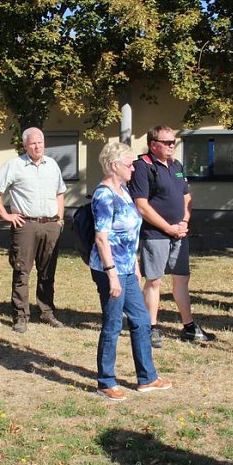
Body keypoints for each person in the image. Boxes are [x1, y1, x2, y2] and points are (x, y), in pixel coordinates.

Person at [90, 142, 172, 400]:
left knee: (141, 320)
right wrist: (112, 274)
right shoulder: (104, 195)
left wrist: (134, 264)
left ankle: (147, 378)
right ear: (114, 166)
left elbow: (130, 234)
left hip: (126, 267)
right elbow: (102, 238)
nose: (133, 168)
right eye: (129, 164)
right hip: (109, 270)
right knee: (113, 324)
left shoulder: (124, 191)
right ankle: (105, 381)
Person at [130, 125, 215, 348]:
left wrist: (184, 222)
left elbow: (186, 197)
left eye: (173, 141)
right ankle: (151, 327)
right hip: (155, 234)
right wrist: (168, 228)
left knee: (182, 279)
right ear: (153, 144)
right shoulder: (143, 167)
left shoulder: (176, 165)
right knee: (154, 280)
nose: (172, 145)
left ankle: (188, 326)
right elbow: (142, 206)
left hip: (179, 233)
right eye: (167, 142)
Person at [0, 127, 67, 333]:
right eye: (33, 143)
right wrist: (6, 215)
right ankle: (21, 316)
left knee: (47, 271)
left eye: (40, 142)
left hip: (50, 225)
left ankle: (47, 312)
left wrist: (59, 218)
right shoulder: (14, 165)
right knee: (22, 270)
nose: (37, 146)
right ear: (25, 145)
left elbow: (60, 192)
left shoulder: (52, 165)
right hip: (26, 225)